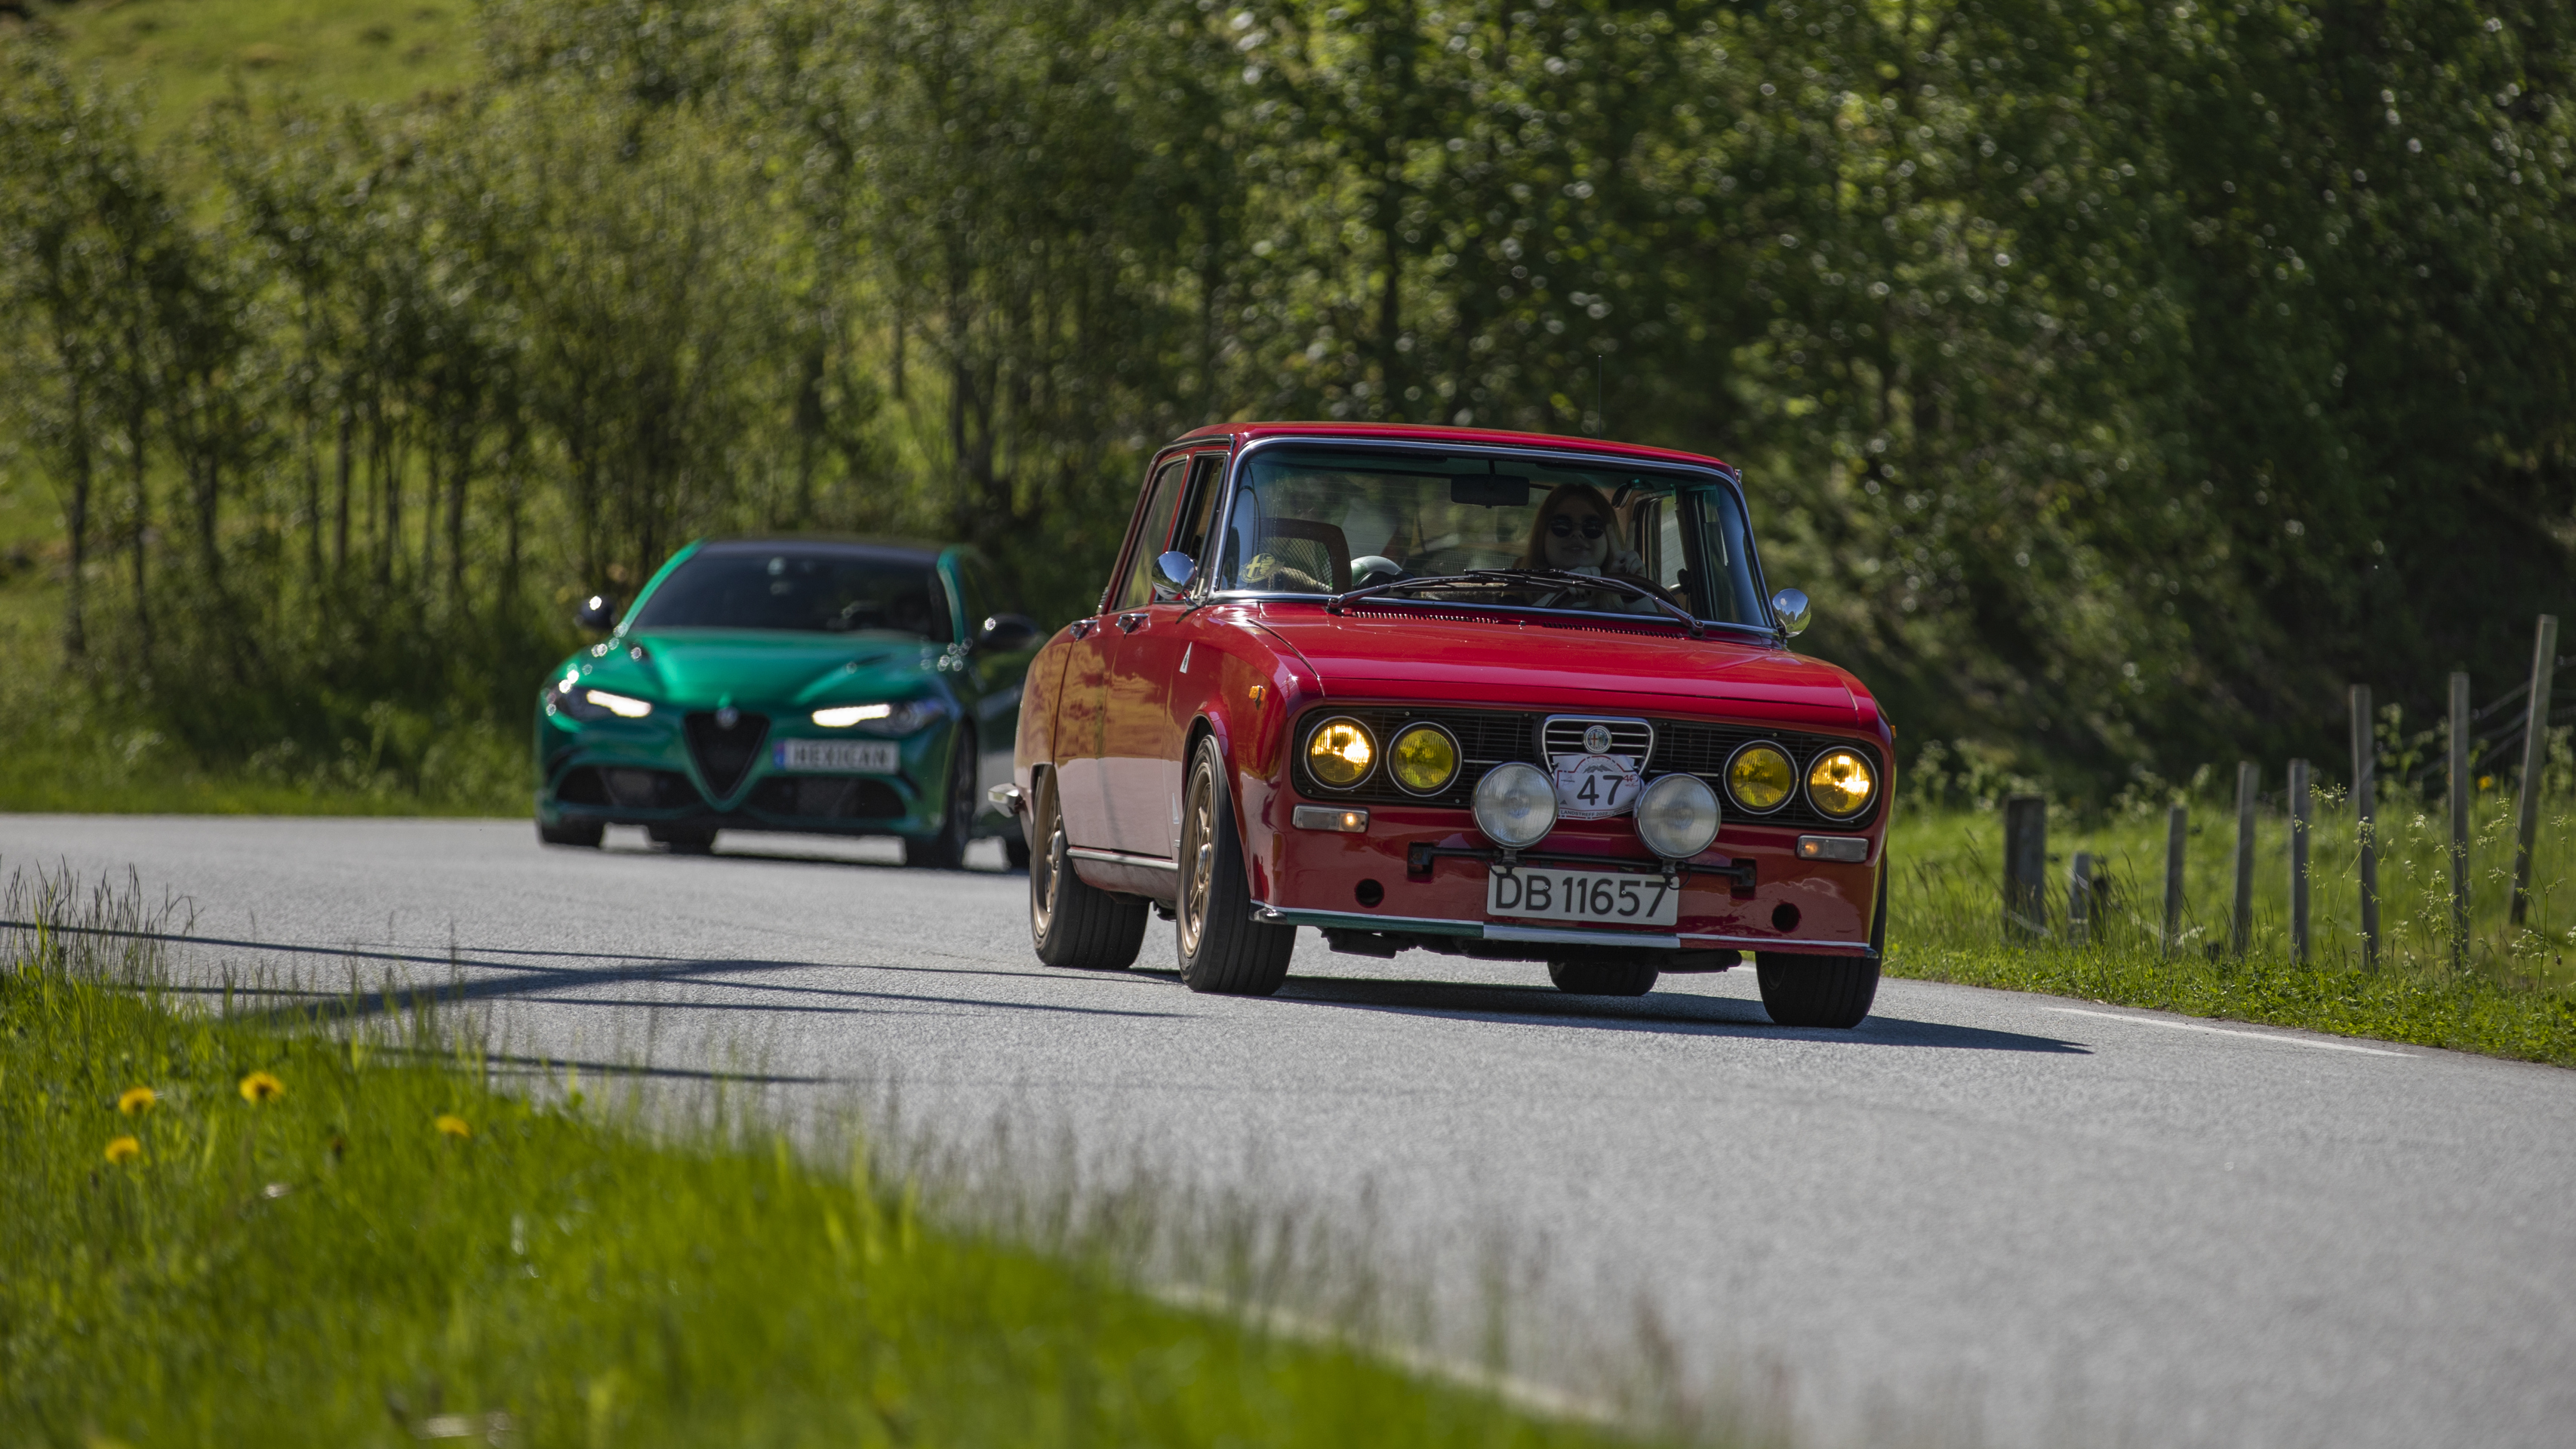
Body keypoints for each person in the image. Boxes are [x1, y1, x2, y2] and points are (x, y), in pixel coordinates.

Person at [1517, 483, 1664, 614]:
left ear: (1609, 537)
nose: (1577, 533)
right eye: (1562, 525)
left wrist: (1631, 589)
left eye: (1592, 526)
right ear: (1542, 535)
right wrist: (1563, 592)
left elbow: (1657, 635)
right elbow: (1517, 631)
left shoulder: (1626, 608)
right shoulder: (1514, 600)